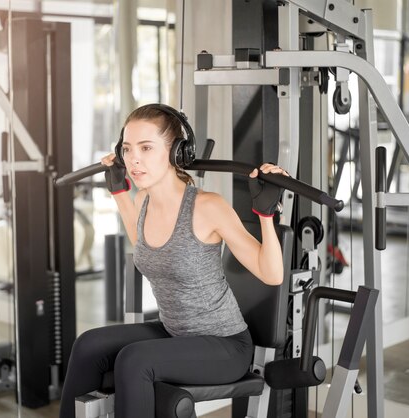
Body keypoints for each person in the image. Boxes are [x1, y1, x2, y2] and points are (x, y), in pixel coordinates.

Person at [59, 103, 289, 418]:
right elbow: (143, 244)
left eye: (146, 148)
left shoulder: (208, 207)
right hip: (175, 330)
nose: (133, 159)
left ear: (175, 152)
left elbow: (271, 273)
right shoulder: (143, 199)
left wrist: (265, 214)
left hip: (224, 345)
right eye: (127, 149)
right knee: (88, 346)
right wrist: (118, 191)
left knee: (134, 361)